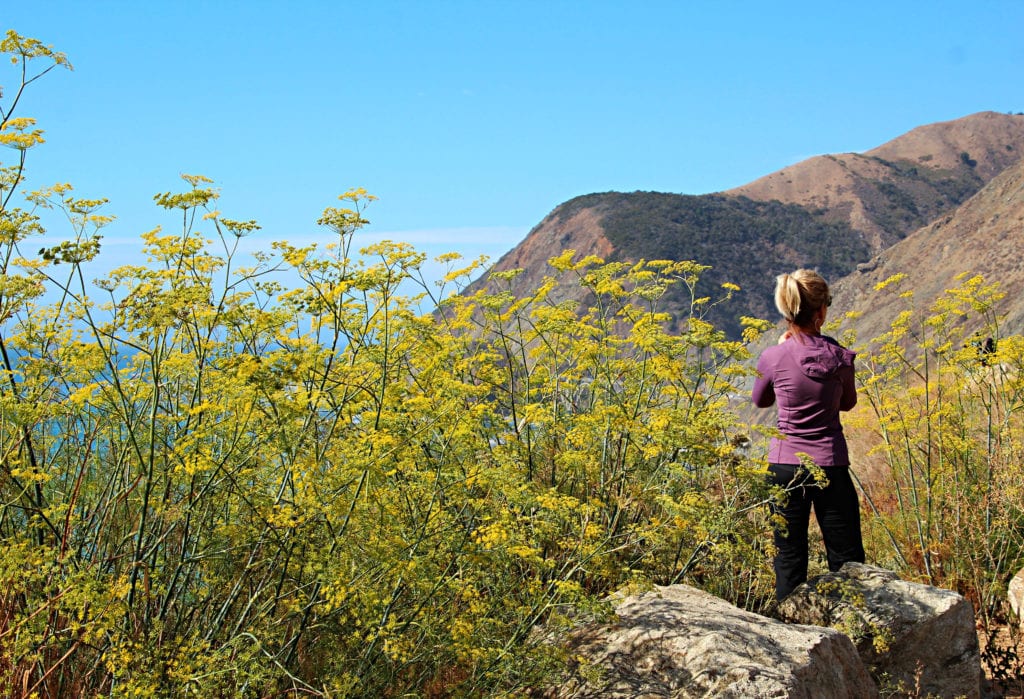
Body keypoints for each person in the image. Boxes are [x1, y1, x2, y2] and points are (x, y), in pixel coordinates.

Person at [751, 269, 865, 601]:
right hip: (830, 463)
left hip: (785, 466)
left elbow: (760, 400)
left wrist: (779, 360)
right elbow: (848, 403)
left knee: (788, 557)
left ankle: (791, 633)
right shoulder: (840, 357)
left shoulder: (773, 357)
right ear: (820, 312)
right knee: (846, 558)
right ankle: (852, 633)